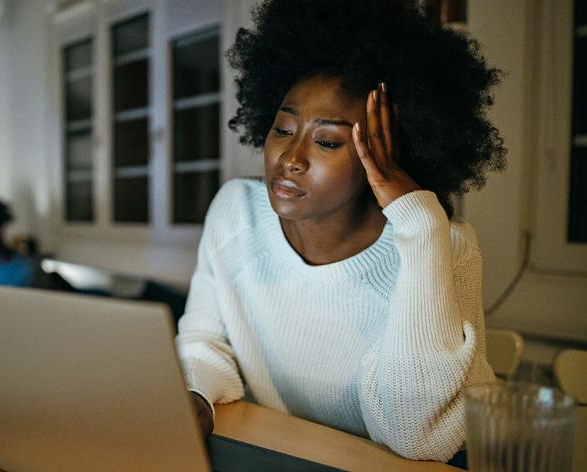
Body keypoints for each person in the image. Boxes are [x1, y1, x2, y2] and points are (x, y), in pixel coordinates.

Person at [176, 0, 505, 465]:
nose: (291, 157)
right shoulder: (236, 213)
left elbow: (419, 437)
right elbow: (205, 340)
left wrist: (423, 223)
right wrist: (195, 394)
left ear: (389, 156)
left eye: (327, 141)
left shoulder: (439, 243)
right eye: (283, 128)